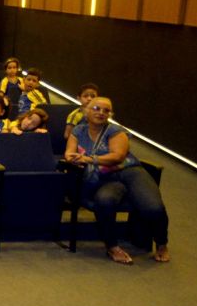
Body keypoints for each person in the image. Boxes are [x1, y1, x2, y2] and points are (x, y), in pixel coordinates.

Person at [65, 97, 170, 264]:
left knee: (153, 208)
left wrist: (90, 159)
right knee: (104, 201)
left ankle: (162, 242)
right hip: (105, 178)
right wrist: (75, 158)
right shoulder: (78, 131)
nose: (101, 112)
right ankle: (112, 246)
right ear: (86, 110)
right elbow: (69, 154)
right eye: (97, 108)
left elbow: (118, 156)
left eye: (106, 110)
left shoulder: (116, 130)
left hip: (129, 172)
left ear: (110, 114)